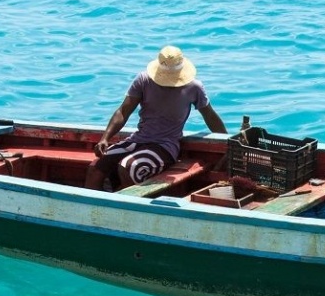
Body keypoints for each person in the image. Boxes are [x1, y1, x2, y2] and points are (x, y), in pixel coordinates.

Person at [89, 45, 227, 191]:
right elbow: (124, 111)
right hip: (139, 139)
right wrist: (105, 138)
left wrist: (227, 141)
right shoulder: (143, 80)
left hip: (165, 146)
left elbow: (210, 116)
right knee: (96, 168)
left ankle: (126, 209)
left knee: (129, 167)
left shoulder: (194, 87)